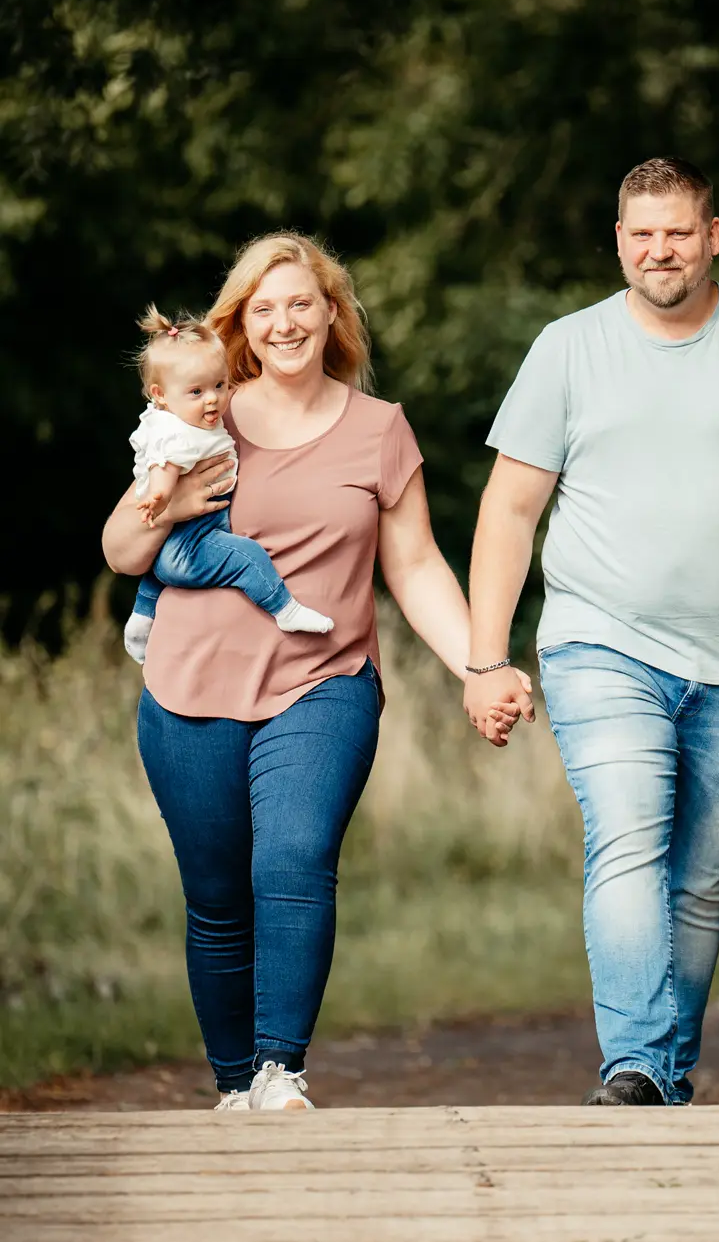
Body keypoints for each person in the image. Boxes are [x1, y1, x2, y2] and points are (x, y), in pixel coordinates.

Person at [463, 157, 719, 1106]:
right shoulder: (568, 348)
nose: (660, 250)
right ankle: (636, 1064)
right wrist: (485, 659)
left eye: (678, 231)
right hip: (600, 643)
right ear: (618, 243)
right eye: (641, 234)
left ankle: (662, 1085)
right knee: (628, 839)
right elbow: (509, 511)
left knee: (698, 885)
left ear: (712, 236)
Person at [103, 233, 525, 1111]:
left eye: (301, 303)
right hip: (186, 689)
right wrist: (169, 505)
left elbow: (415, 566)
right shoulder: (203, 413)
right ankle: (234, 1086)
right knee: (217, 897)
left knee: (294, 858)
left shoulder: (379, 429)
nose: (284, 322)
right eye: (264, 309)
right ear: (242, 325)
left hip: (322, 682)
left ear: (331, 313)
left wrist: (481, 665)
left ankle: (278, 1070)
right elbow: (121, 549)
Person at [123, 305, 333, 664]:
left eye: (219, 385)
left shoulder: (180, 418)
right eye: (196, 392)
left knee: (165, 561)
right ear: (160, 394)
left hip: (169, 551)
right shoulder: (176, 433)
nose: (212, 398)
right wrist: (160, 497)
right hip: (188, 547)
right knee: (247, 555)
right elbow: (164, 466)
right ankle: (284, 608)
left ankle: (142, 615)